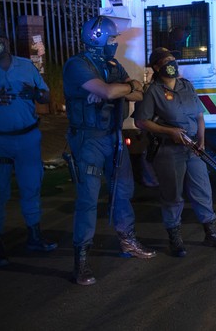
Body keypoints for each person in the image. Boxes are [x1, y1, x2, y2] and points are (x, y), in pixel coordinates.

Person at [63, 16, 156, 286]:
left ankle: (128, 242)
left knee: (123, 192)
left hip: (113, 137)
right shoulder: (77, 65)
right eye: (112, 38)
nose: (115, 43)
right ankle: (81, 261)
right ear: (97, 37)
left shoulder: (112, 64)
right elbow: (107, 90)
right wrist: (112, 91)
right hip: (88, 140)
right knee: (88, 201)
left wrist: (120, 90)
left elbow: (139, 92)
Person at [133, 47, 216, 257]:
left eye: (173, 59)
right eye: (166, 61)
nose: (172, 64)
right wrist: (169, 131)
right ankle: (175, 238)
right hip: (168, 151)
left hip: (193, 149)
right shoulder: (153, 92)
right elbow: (141, 121)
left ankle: (211, 233)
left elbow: (199, 116)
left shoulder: (186, 86)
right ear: (157, 67)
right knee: (172, 195)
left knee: (202, 190)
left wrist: (202, 141)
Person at [0, 26, 57, 267]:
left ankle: (34, 236)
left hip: (27, 139)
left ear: (7, 41)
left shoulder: (26, 65)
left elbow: (46, 97)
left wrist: (36, 93)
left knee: (31, 187)